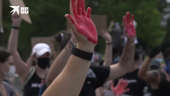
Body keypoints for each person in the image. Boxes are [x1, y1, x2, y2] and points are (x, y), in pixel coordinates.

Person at [40, 6, 137, 96]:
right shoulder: (57, 73)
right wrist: (74, 40)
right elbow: (51, 79)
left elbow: (124, 66)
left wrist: (130, 41)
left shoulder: (90, 72)